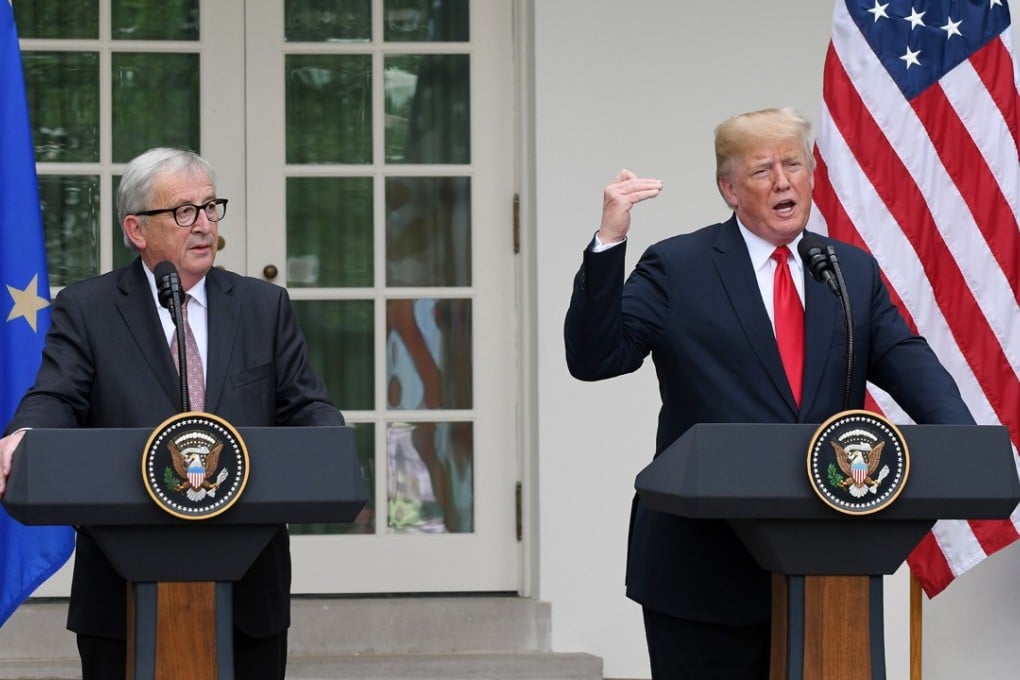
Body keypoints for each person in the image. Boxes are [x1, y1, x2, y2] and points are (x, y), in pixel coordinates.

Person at [563, 107, 974, 679]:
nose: (784, 181)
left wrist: (968, 452)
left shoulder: (846, 271)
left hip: (830, 574)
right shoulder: (678, 267)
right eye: (762, 170)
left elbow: (913, 367)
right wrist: (610, 241)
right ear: (729, 189)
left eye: (794, 164)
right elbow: (596, 358)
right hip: (704, 575)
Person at [0, 147, 344, 679]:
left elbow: (307, 406)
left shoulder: (263, 307)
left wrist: (330, 453)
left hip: (248, 589)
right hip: (121, 592)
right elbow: (57, 395)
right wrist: (24, 433)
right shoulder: (89, 309)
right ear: (137, 229)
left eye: (210, 207)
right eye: (184, 211)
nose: (204, 224)